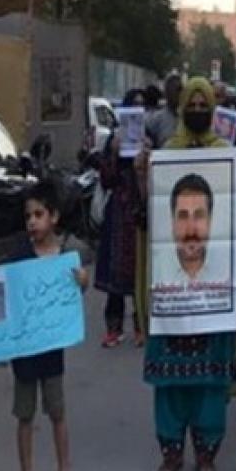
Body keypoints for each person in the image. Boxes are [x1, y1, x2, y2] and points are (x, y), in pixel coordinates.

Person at [136, 76, 236, 471]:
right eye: (190, 104)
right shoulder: (167, 155)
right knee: (170, 384)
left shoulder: (225, 153)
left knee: (211, 384)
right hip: (171, 293)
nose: (196, 110)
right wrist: (142, 173)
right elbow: (149, 211)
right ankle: (172, 451)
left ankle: (207, 451)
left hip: (214, 293)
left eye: (203, 104)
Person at [0, 181, 90, 471]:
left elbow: (72, 297)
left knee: (57, 413)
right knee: (25, 416)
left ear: (54, 217)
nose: (32, 222)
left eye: (38, 215)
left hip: (51, 352)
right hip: (24, 353)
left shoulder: (64, 259)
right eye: (28, 217)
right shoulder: (18, 258)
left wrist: (82, 283)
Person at [97, 87, 146, 348]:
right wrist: (114, 153)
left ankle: (141, 325)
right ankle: (114, 328)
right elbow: (106, 179)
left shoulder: (148, 138)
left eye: (142, 105)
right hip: (119, 211)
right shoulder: (114, 139)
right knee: (115, 272)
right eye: (133, 105)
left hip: (141, 208)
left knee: (141, 268)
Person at [146, 72, 183, 148]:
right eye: (171, 88)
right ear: (166, 93)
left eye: (179, 89)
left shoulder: (188, 116)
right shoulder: (156, 118)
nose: (175, 93)